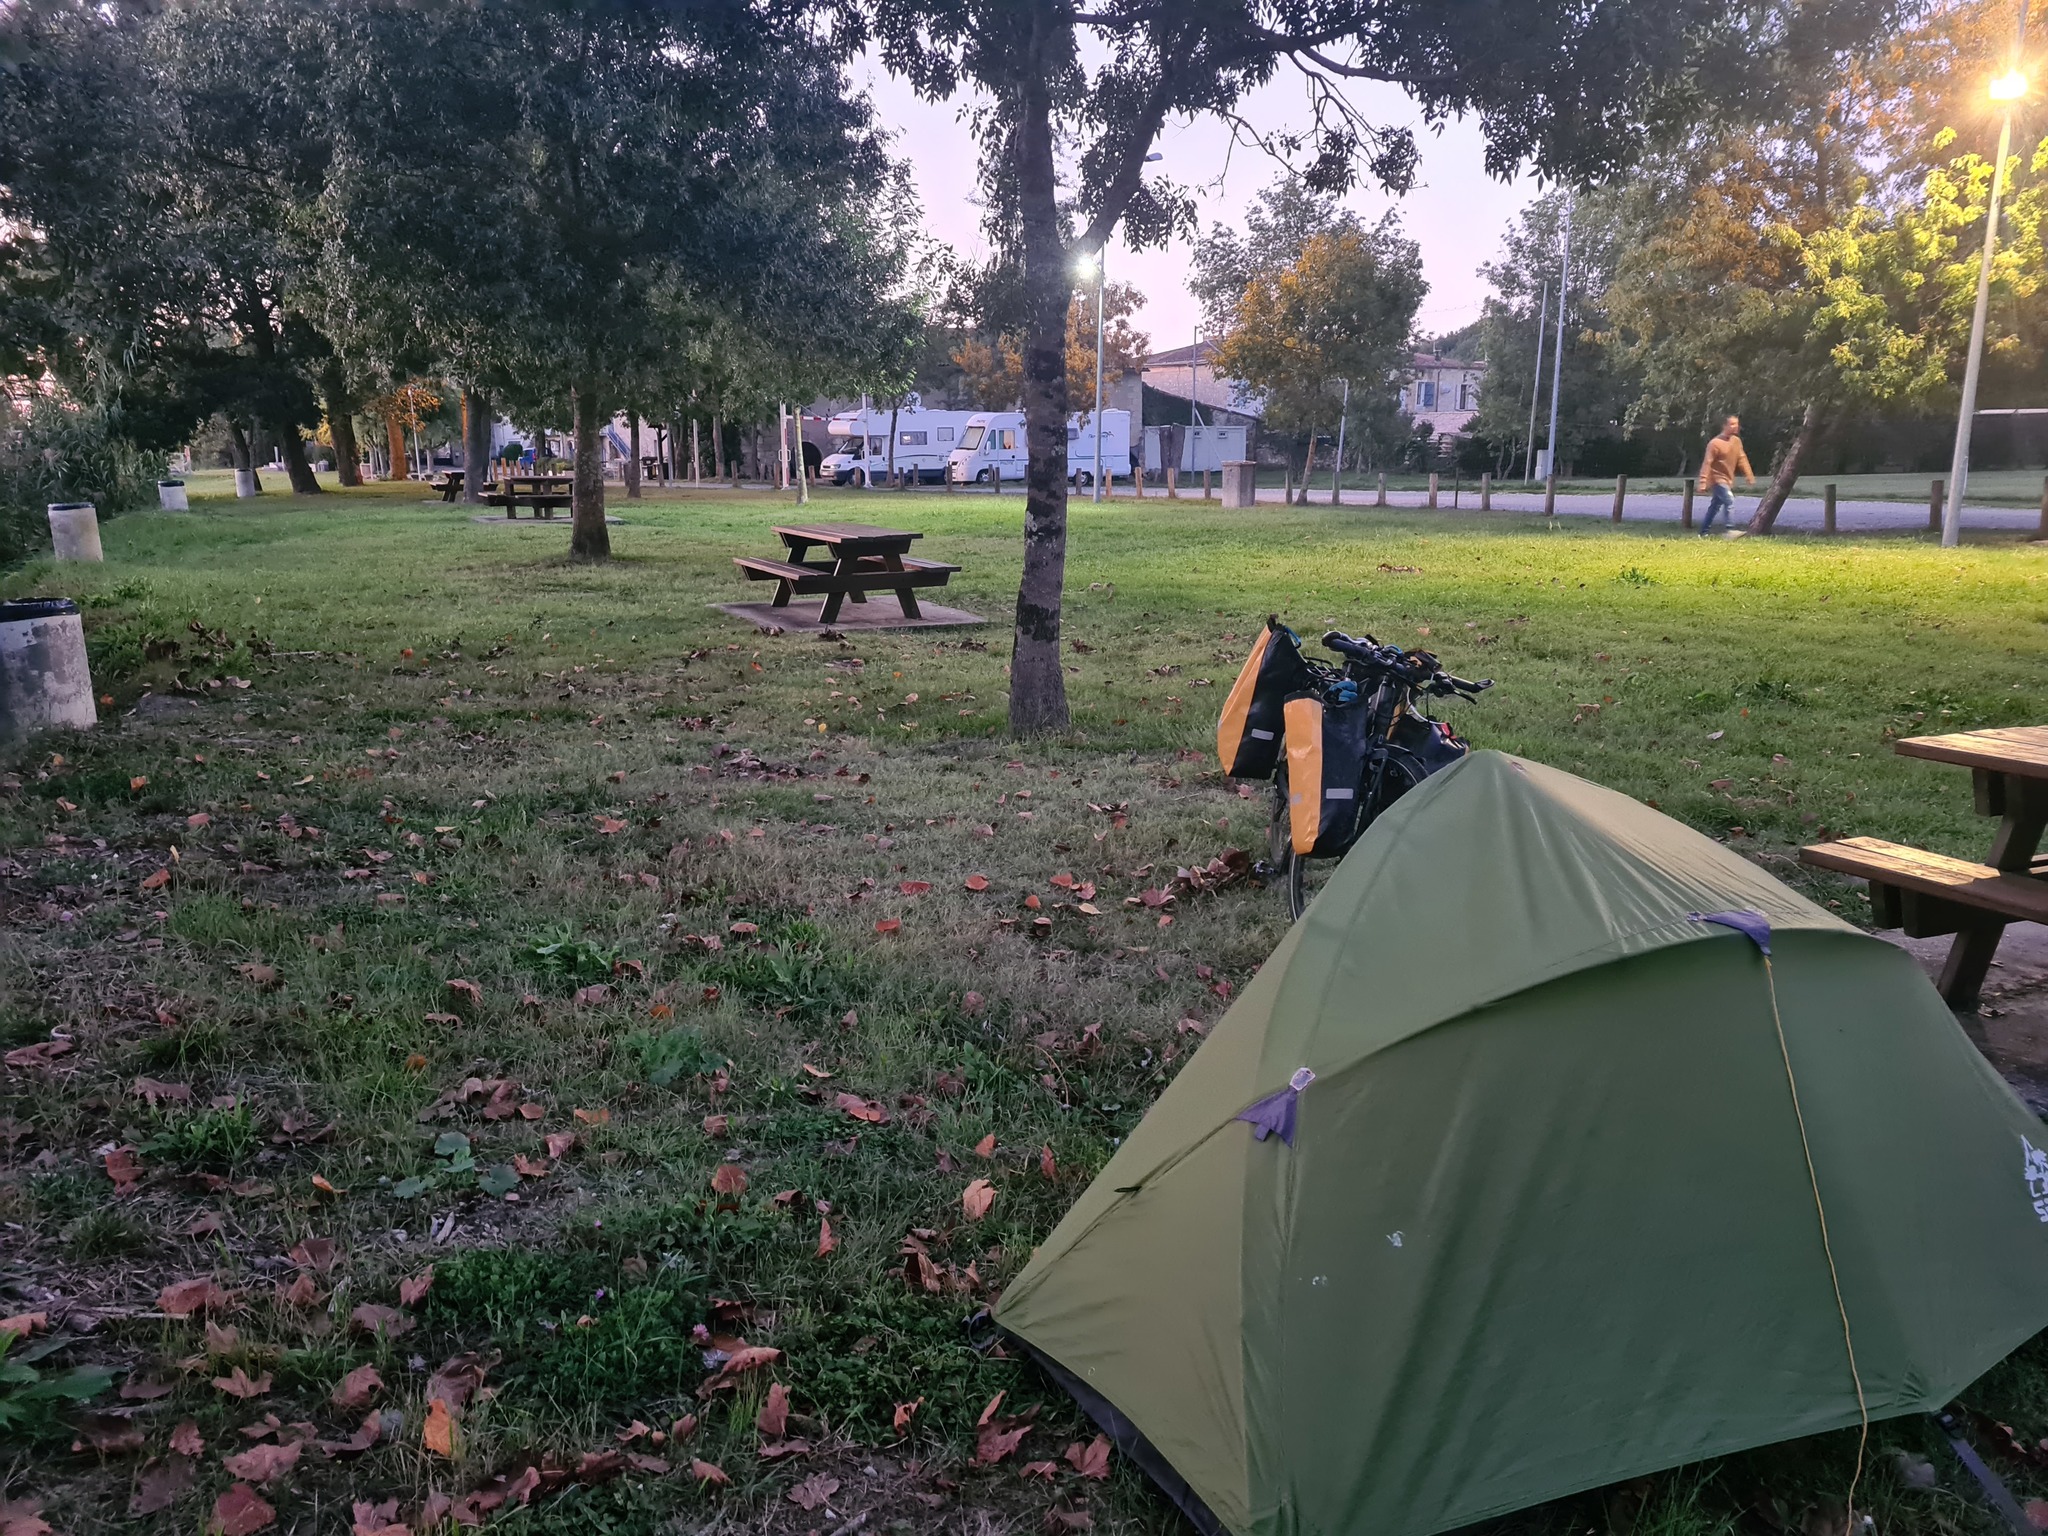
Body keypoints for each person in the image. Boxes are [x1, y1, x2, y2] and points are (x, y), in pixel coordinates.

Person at [1696, 416, 1755, 536]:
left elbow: (1742, 459)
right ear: (1724, 426)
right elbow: (1707, 462)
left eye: (1737, 424)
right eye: (1732, 424)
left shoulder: (1736, 441)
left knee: (1715, 506)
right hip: (1716, 479)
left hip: (1727, 479)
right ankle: (1730, 529)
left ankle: (1703, 532)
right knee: (1729, 500)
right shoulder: (1714, 443)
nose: (1736, 427)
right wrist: (1703, 482)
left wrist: (1749, 475)